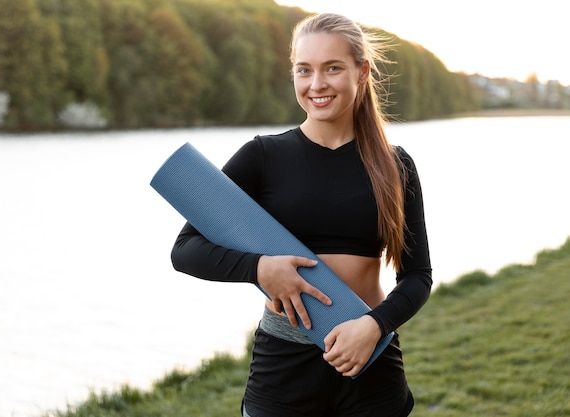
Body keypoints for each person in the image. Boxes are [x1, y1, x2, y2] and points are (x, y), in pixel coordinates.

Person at [171, 12, 432, 417]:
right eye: (304, 70)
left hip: (369, 356)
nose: (317, 84)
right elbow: (185, 249)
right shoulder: (262, 156)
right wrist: (258, 269)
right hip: (283, 365)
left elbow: (417, 277)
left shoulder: (395, 165)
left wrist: (375, 325)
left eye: (332, 68)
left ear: (362, 72)